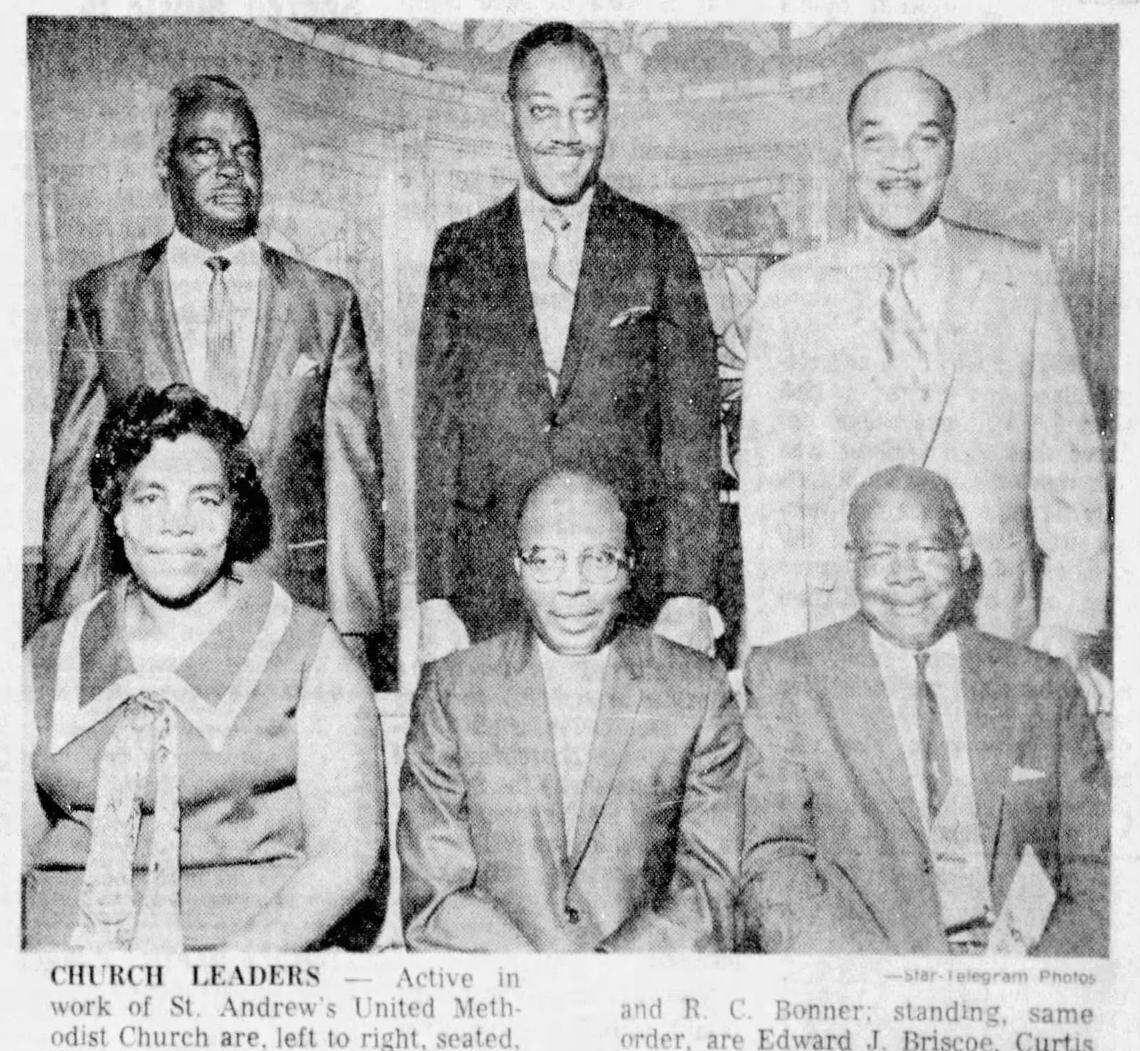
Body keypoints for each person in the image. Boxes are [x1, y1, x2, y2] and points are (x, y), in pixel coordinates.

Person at [738, 65, 1109, 711]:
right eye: (877, 140)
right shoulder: (791, 292)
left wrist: (1070, 626)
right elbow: (770, 498)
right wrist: (773, 647)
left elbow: (1069, 478)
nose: (900, 163)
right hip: (838, 641)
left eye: (925, 139)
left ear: (952, 152)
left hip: (997, 635)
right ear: (849, 154)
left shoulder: (1020, 278)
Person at [40, 75, 385, 678]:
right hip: (147, 624)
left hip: (288, 623)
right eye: (204, 148)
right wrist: (73, 640)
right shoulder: (105, 301)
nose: (230, 168)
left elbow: (352, 488)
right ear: (164, 168)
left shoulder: (327, 303)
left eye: (245, 152)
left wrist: (351, 638)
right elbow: (75, 492)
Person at [24, 385, 385, 952]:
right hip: (65, 972)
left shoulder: (310, 652)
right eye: (149, 499)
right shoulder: (47, 656)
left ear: (234, 515)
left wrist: (215, 987)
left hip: (244, 973)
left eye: (205, 499)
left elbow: (349, 858)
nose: (177, 524)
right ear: (116, 516)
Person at [415, 22, 721, 664]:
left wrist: (691, 590)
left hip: (630, 593)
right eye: (543, 110)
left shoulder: (658, 246)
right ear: (513, 116)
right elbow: (438, 437)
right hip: (490, 593)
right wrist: (436, 595)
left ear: (606, 118)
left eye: (584, 112)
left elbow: (691, 436)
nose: (565, 133)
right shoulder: (461, 252)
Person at [741, 465, 1109, 956]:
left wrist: (1033, 978)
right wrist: (888, 985)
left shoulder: (1043, 685)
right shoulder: (790, 680)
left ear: (964, 553)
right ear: (852, 560)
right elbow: (774, 864)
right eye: (881, 553)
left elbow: (1102, 871)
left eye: (928, 549)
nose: (905, 575)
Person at [398, 470, 743, 952]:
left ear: (630, 567)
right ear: (516, 567)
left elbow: (712, 888)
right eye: (547, 561)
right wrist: (542, 988)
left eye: (598, 560)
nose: (572, 587)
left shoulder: (697, 691)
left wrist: (601, 980)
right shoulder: (452, 691)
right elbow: (435, 898)